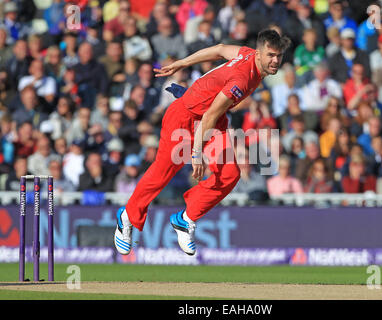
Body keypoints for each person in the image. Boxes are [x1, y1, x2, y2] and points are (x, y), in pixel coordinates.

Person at [114, 29, 291, 256]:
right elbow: (207, 116)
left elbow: (218, 50)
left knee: (229, 174)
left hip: (212, 119)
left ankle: (184, 219)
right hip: (187, 115)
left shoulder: (247, 55)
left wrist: (183, 63)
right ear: (258, 53)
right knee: (164, 171)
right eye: (270, 55)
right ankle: (127, 215)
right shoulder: (242, 79)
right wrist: (196, 154)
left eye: (278, 56)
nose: (275, 61)